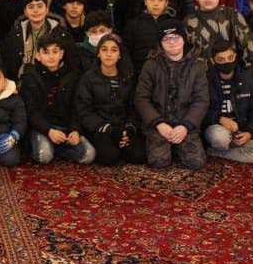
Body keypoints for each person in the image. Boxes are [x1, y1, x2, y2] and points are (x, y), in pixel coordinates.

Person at [135, 20, 209, 170]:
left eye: (176, 37)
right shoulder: (151, 65)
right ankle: (168, 147)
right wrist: (159, 124)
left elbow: (201, 100)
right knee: (159, 162)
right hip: (159, 124)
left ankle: (178, 146)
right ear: (160, 44)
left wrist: (186, 126)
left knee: (196, 162)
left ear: (184, 39)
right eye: (166, 39)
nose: (172, 42)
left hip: (185, 124)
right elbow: (141, 98)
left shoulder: (197, 65)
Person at [21, 34, 95, 165]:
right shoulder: (30, 77)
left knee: (89, 155)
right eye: (46, 52)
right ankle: (46, 146)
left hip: (65, 127)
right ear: (38, 56)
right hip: (42, 128)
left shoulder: (72, 75)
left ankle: (58, 148)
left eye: (55, 52)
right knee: (44, 156)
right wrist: (48, 131)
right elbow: (31, 111)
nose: (51, 56)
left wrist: (75, 130)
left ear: (61, 54)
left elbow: (77, 106)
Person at [76, 34, 146, 165]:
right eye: (104, 49)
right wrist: (108, 129)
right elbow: (84, 110)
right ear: (98, 54)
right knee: (109, 157)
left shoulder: (128, 77)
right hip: (99, 129)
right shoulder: (88, 78)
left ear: (120, 55)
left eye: (114, 50)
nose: (109, 54)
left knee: (139, 156)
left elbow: (133, 107)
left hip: (122, 126)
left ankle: (122, 143)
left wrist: (128, 130)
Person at [203, 40, 253, 164]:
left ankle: (216, 153)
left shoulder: (249, 79)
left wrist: (250, 132)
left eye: (230, 57)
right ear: (213, 60)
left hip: (240, 130)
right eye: (221, 59)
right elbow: (200, 109)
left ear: (236, 56)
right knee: (220, 138)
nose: (226, 62)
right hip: (216, 129)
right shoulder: (206, 80)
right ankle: (223, 148)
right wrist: (219, 119)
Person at [184, 0, 253, 72]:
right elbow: (187, 54)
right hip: (203, 75)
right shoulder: (189, 22)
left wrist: (252, 70)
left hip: (234, 72)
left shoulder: (232, 14)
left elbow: (248, 43)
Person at [3, 0, 77, 78]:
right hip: (22, 80)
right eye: (31, 7)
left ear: (47, 9)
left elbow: (71, 64)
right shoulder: (15, 33)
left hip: (53, 80)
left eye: (40, 6)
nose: (36, 11)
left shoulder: (61, 33)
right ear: (25, 12)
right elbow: (8, 64)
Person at [123, 0, 175, 76]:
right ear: (145, 1)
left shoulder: (173, 24)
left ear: (166, 2)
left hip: (168, 75)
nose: (155, 3)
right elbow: (125, 51)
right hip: (140, 75)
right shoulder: (133, 24)